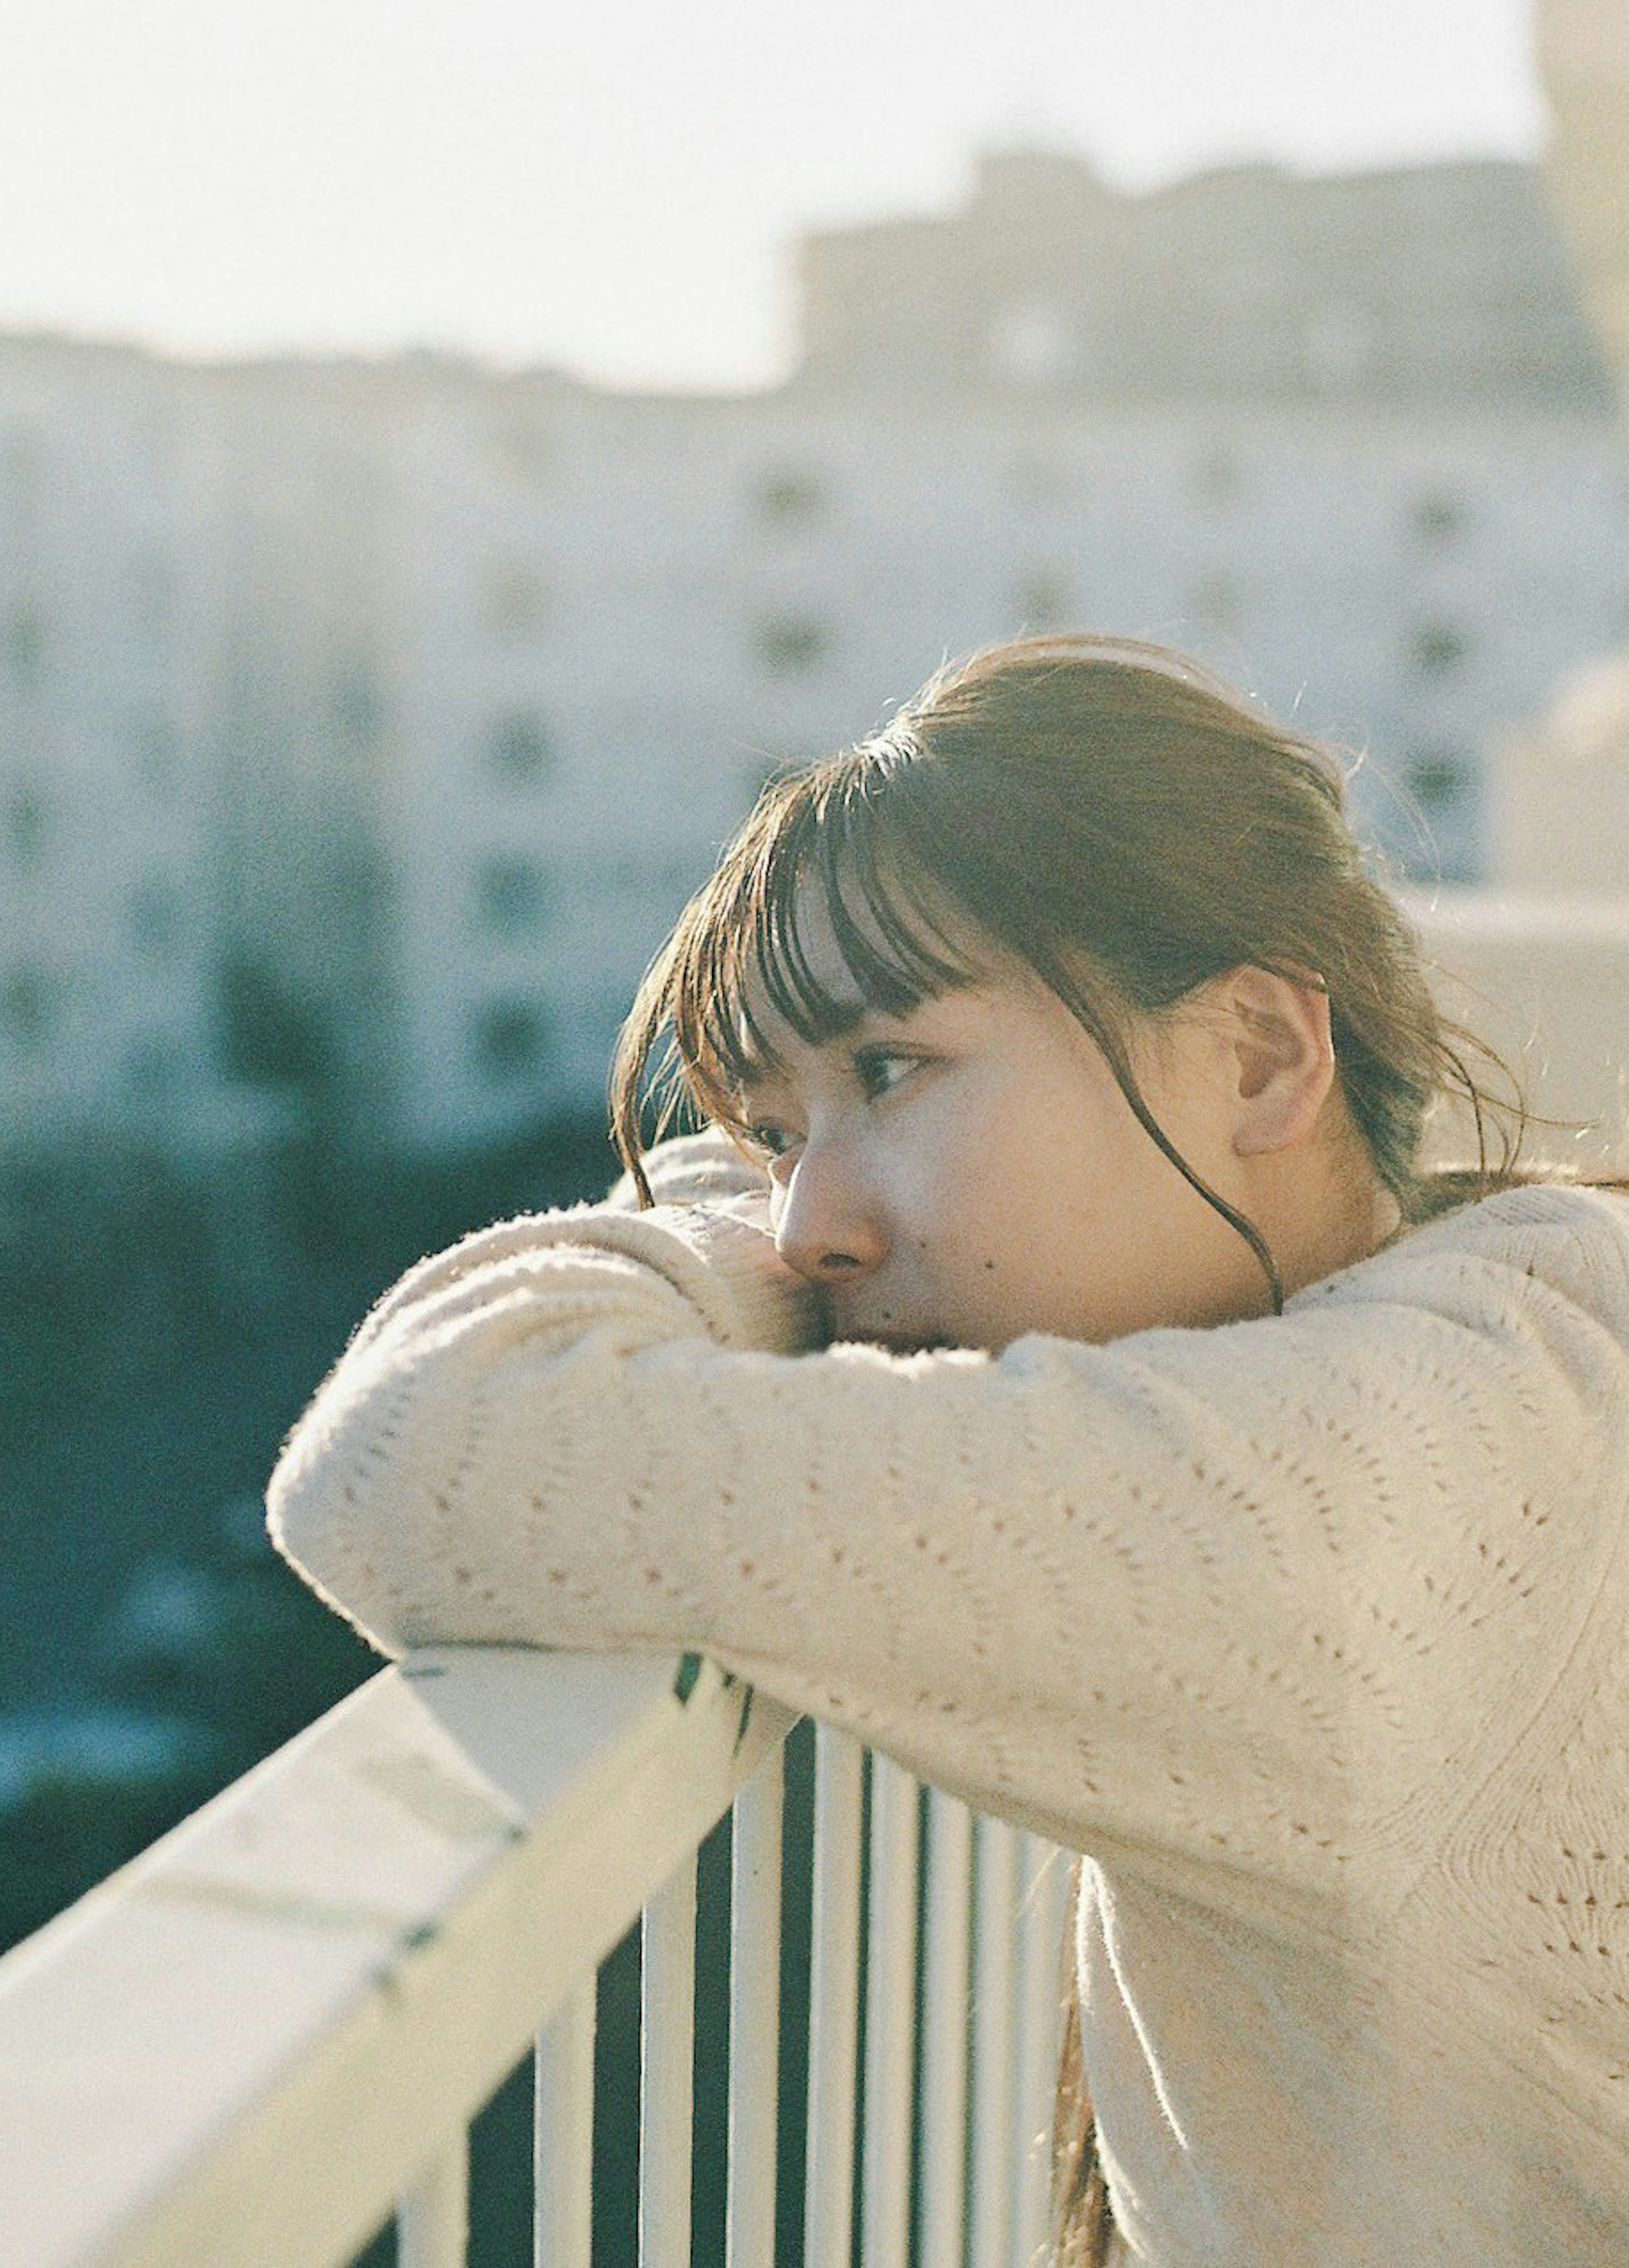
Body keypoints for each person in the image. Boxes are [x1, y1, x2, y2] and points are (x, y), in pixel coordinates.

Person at [267, 635, 1629, 2267]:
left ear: (1261, 1057)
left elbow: (428, 1446)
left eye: (894, 1069)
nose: (809, 1230)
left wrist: (732, 1219)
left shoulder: (1387, 1486)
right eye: (770, 1136)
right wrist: (816, 1153)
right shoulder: (1523, 1327)